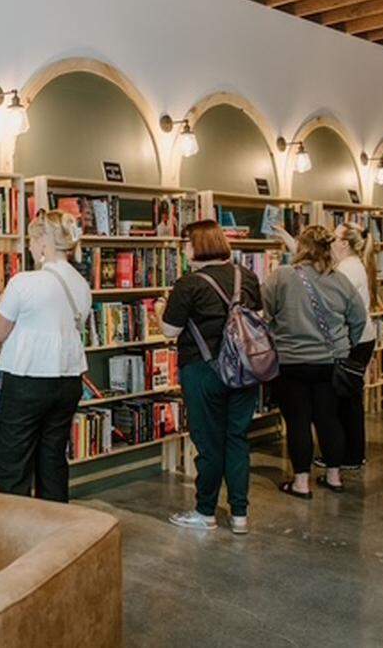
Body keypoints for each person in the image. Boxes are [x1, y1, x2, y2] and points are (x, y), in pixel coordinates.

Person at [152, 220, 262, 534]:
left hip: (204, 370)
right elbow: (259, 318)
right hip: (244, 369)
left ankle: (205, 512)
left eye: (186, 243)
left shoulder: (188, 284)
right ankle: (240, 514)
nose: (184, 249)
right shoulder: (247, 276)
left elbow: (169, 331)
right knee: (237, 439)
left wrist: (160, 309)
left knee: (209, 443)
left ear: (196, 246)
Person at [0, 209, 91, 502]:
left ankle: (18, 525)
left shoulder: (24, 282)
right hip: (68, 380)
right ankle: (54, 522)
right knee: (52, 457)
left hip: (28, 380)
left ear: (44, 242)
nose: (30, 247)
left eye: (31, 240)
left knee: (11, 460)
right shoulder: (81, 284)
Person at [263, 225, 366, 498]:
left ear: (301, 247)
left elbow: (265, 311)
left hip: (291, 360)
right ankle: (334, 477)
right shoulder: (340, 280)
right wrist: (345, 345)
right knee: (329, 418)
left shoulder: (282, 276)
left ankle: (301, 482)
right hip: (331, 361)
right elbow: (359, 318)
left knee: (298, 421)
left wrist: (280, 331)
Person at [328, 221, 378, 471]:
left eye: (334, 237)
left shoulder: (347, 269)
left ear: (344, 243)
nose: (330, 241)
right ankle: (352, 453)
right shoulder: (353, 265)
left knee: (345, 400)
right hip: (361, 337)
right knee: (349, 398)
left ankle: (348, 455)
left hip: (353, 339)